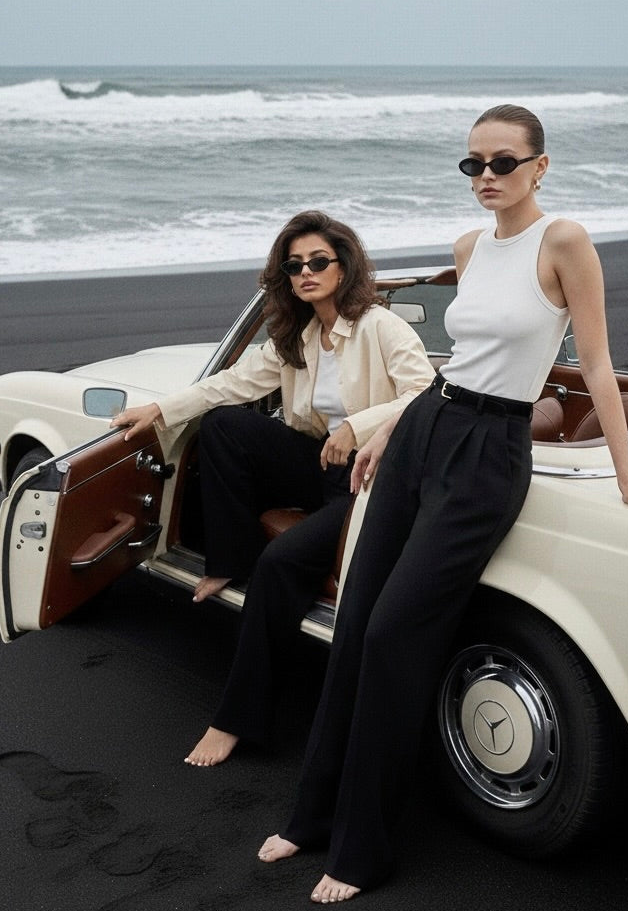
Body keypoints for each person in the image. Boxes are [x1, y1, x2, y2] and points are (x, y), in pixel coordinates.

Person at [257, 105, 628, 903]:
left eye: (502, 162)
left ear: (540, 166)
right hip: (427, 427)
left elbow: (597, 364)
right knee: (356, 620)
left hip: (492, 451)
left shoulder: (564, 242)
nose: (486, 178)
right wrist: (392, 427)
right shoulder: (469, 248)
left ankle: (362, 849)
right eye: (472, 165)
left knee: (395, 634)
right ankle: (312, 814)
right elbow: (458, 360)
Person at [112, 210, 435, 767]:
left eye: (317, 261)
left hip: (371, 480)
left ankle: (235, 720)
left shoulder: (382, 327)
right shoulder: (299, 336)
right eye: (294, 265)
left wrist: (358, 427)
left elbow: (426, 393)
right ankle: (226, 560)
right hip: (319, 464)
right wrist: (160, 409)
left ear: (344, 265)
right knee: (223, 426)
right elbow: (231, 383)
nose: (305, 271)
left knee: (281, 563)